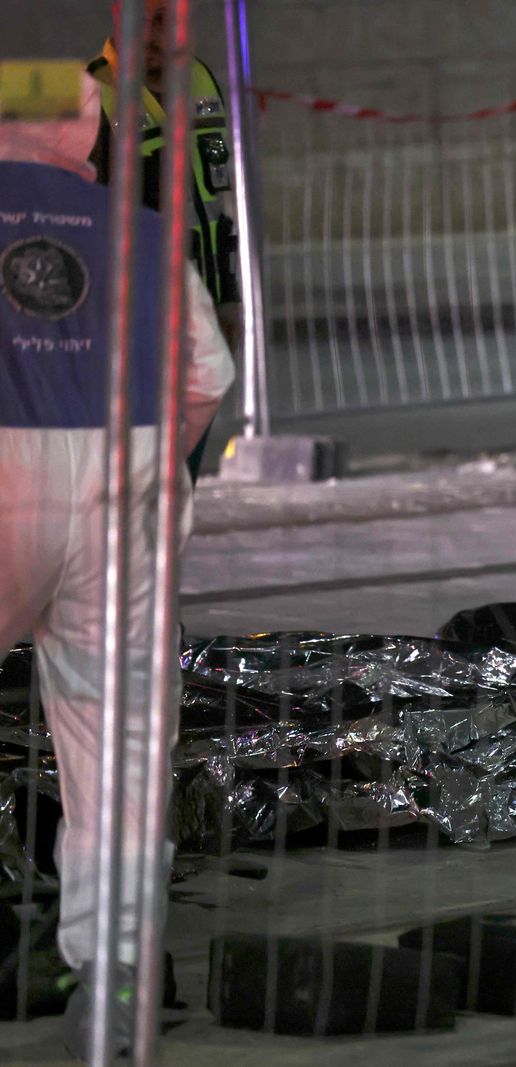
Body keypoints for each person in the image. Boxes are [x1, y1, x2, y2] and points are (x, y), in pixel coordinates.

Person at [0, 73, 235, 1057]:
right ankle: (117, 981)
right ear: (88, 125)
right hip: (122, 504)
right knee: (115, 753)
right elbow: (205, 377)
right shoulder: (138, 231)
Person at [88, 0, 240, 480]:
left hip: (210, 286)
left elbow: (217, 177)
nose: (156, 32)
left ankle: (174, 509)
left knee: (190, 431)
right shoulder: (94, 94)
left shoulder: (200, 79)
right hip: (141, 300)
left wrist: (229, 294)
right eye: (146, 18)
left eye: (167, 19)